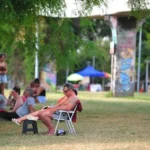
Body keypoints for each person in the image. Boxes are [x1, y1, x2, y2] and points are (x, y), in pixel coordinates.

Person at [12, 83, 78, 135]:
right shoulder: (67, 96)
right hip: (58, 111)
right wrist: (51, 107)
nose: (64, 93)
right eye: (63, 91)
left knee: (41, 114)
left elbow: (68, 108)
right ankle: (20, 120)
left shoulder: (73, 98)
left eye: (65, 91)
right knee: (40, 111)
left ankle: (51, 130)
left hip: (63, 114)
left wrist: (55, 108)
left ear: (71, 90)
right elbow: (59, 104)